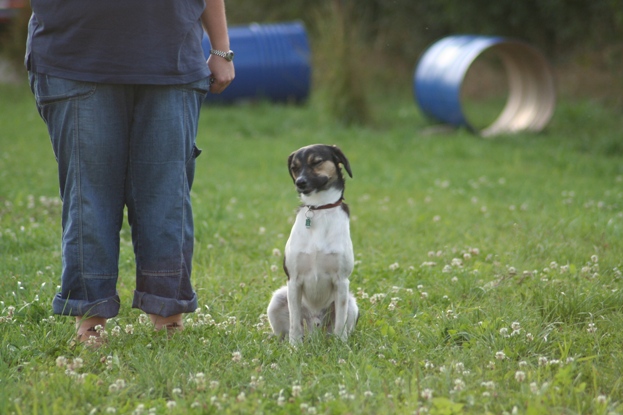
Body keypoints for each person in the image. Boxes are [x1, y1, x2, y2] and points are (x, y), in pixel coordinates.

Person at [26, 0, 235, 342]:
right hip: (74, 57)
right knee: (90, 195)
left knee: (167, 196)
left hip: (172, 59)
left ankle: (168, 316)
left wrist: (221, 49)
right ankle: (89, 321)